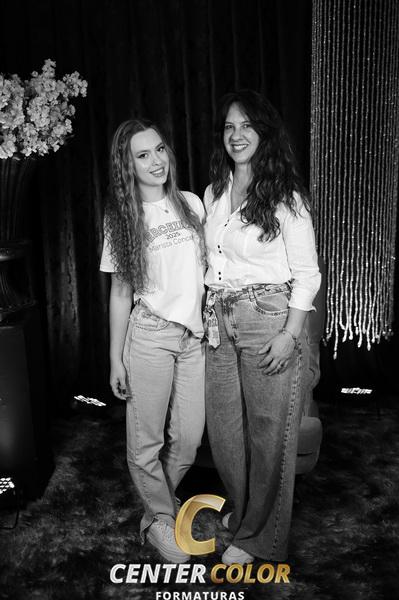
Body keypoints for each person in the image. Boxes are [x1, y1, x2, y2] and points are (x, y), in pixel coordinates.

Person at [203, 90, 321, 565]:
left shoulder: (286, 198)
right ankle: (248, 514)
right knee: (226, 434)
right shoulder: (214, 193)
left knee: (269, 435)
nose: (237, 135)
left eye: (247, 126)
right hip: (218, 319)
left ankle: (259, 539)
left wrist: (290, 334)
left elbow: (307, 275)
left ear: (264, 133)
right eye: (230, 127)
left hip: (267, 318)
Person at [100, 118, 206, 564]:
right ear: (128, 166)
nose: (156, 161)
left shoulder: (191, 204)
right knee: (146, 443)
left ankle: (153, 509)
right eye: (142, 155)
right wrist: (115, 359)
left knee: (189, 438)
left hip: (194, 337)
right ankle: (162, 519)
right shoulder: (122, 220)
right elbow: (120, 294)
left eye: (159, 149)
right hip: (149, 335)